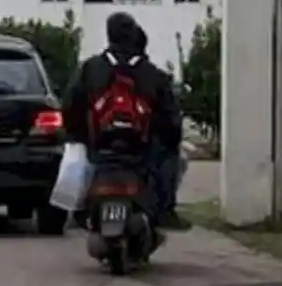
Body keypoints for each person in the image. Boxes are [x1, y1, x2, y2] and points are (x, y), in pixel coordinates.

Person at [63, 12, 190, 231]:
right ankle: (166, 212)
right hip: (141, 153)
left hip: (99, 149)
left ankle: (78, 211)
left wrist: (79, 137)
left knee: (76, 158)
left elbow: (71, 107)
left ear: (108, 34)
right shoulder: (154, 74)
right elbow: (170, 120)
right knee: (175, 156)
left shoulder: (90, 69)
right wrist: (166, 140)